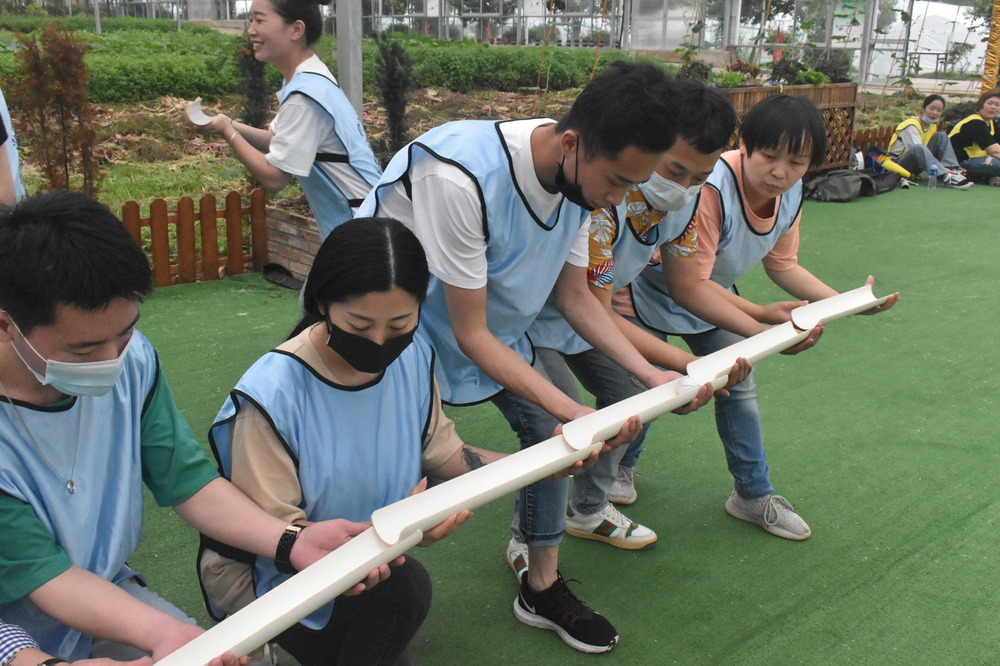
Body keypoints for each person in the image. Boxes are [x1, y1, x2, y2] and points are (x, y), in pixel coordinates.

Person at [356, 60, 717, 654]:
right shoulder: (461, 174)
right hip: (389, 333)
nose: (620, 199)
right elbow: (470, 334)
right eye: (620, 182)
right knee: (374, 474)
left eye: (634, 184)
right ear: (572, 142)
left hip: (490, 322)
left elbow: (577, 298)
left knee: (555, 437)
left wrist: (653, 374)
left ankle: (541, 587)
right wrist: (571, 411)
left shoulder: (584, 182)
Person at [0, 191, 395, 664]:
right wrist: (163, 634)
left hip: (99, 594)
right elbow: (42, 573)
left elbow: (185, 479)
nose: (112, 361)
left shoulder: (135, 361)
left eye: (124, 333)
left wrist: (292, 541)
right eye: (83, 351)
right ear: (7, 325)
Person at [199, 217, 604, 665]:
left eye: (399, 323)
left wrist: (542, 463)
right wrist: (405, 532)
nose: (378, 342)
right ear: (320, 304)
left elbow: (445, 453)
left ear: (420, 308)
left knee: (397, 599)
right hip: (277, 575)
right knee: (405, 592)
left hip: (373, 560)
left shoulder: (413, 354)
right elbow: (282, 540)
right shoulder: (270, 396)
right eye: (358, 323)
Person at [626, 94, 898, 541]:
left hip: (715, 299)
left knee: (739, 383)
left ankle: (752, 495)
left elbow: (783, 265)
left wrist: (851, 301)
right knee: (647, 389)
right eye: (770, 156)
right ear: (745, 146)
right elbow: (688, 284)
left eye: (797, 162)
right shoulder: (710, 188)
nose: (781, 172)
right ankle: (619, 471)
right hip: (648, 296)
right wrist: (759, 327)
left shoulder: (790, 192)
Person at [520, 79, 746, 551]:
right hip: (536, 319)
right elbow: (591, 307)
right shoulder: (606, 200)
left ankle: (589, 509)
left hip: (588, 318)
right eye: (675, 169)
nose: (684, 188)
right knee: (556, 426)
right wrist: (684, 364)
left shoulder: (682, 206)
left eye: (700, 177)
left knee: (630, 398)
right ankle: (528, 536)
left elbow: (689, 285)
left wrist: (762, 329)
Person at [195, 0, 381, 238]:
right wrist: (228, 123)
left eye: (260, 20)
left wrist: (227, 133)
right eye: (251, 20)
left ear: (296, 29)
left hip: (362, 230)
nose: (251, 30)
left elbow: (274, 178)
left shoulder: (305, 96)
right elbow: (278, 140)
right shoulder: (308, 78)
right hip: (364, 223)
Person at [885, 94, 970, 188]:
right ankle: (946, 175)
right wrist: (941, 169)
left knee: (941, 136)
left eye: (939, 110)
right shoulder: (911, 126)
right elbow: (917, 152)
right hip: (899, 166)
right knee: (918, 148)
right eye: (931, 108)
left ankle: (953, 169)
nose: (934, 113)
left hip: (918, 165)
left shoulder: (931, 125)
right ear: (923, 108)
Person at [949, 88, 1000, 185]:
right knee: (994, 163)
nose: (993, 107)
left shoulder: (992, 123)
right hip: (960, 164)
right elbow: (994, 150)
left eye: (997, 105)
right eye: (990, 103)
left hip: (978, 161)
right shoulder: (975, 122)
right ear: (981, 105)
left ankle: (992, 177)